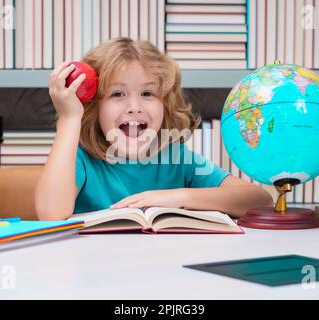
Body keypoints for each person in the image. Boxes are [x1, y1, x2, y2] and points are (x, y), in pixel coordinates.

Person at [35, 37, 273, 221]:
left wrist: (179, 197)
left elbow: (259, 200)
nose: (135, 107)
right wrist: (69, 117)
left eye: (148, 94)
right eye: (117, 94)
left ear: (165, 104)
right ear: (93, 107)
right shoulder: (81, 159)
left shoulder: (177, 159)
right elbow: (50, 213)